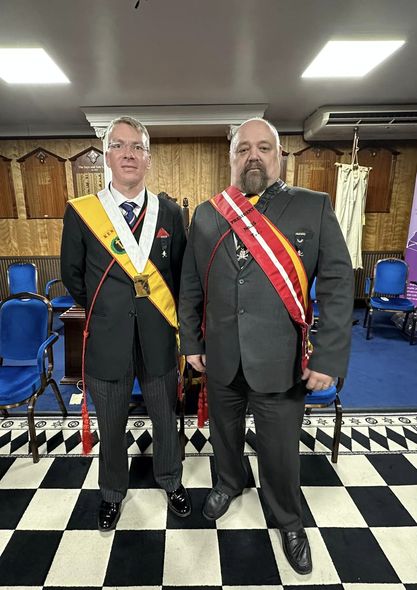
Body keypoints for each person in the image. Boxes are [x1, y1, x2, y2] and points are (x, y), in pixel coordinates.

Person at [179, 118, 353, 574]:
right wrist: (191, 341)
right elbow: (191, 284)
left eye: (263, 147)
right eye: (243, 149)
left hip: (281, 359)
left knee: (280, 450)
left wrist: (328, 357)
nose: (252, 156)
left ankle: (288, 518)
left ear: (280, 156)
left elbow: (337, 287)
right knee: (224, 434)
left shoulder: (312, 206)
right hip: (221, 356)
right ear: (231, 158)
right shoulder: (208, 214)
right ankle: (229, 482)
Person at [61, 116, 191, 531]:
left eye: (137, 146)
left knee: (165, 419)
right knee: (112, 425)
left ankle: (170, 480)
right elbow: (73, 275)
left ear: (148, 158)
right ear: (106, 156)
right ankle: (112, 493)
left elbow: (182, 277)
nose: (129, 153)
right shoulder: (82, 213)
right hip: (107, 338)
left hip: (158, 338)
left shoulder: (170, 212)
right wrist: (107, 311)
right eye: (119, 145)